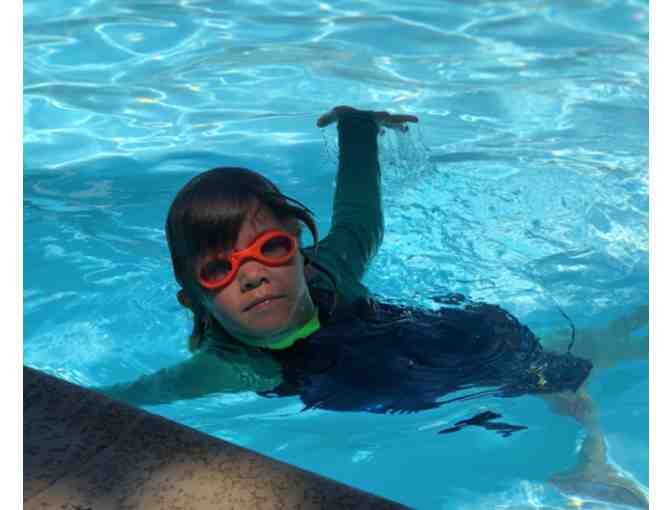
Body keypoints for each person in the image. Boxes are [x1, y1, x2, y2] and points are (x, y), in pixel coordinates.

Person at [99, 106, 648, 508]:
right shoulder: (230, 364)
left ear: (297, 247)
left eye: (270, 249)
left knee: (547, 367)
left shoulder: (330, 271)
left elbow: (360, 212)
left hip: (440, 340)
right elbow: (128, 399)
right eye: (219, 269)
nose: (253, 276)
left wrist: (357, 127)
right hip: (405, 395)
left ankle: (592, 451)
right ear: (192, 298)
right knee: (555, 369)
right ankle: (603, 409)